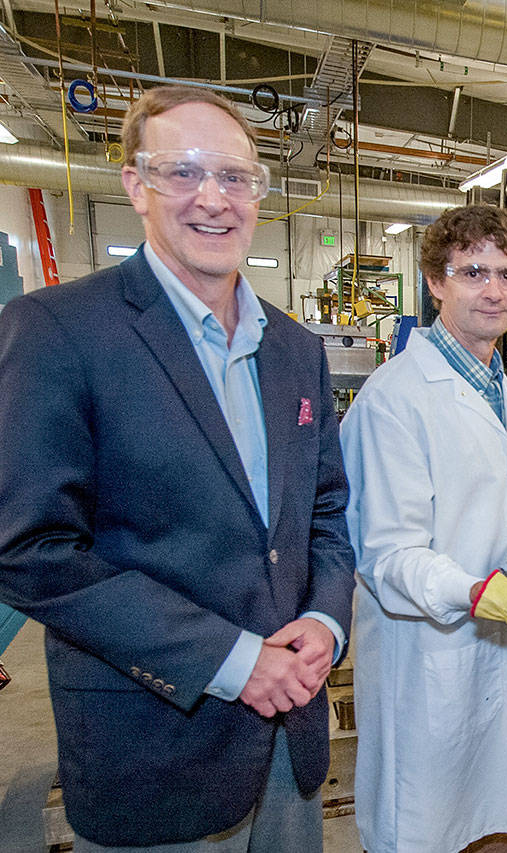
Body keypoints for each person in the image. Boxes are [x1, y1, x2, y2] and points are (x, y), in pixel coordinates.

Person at [0, 85, 356, 850]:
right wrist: (231, 658)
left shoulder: (297, 350)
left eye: (234, 176)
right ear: (137, 185)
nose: (213, 198)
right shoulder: (58, 330)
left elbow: (325, 511)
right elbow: (29, 548)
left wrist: (327, 619)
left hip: (290, 744)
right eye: (183, 171)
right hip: (154, 752)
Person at [340, 204, 507, 853]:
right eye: (473, 272)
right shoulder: (394, 400)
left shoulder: (502, 390)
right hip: (430, 660)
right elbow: (386, 557)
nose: (494, 290)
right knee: (431, 828)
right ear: (435, 281)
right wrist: (478, 593)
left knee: (499, 820)